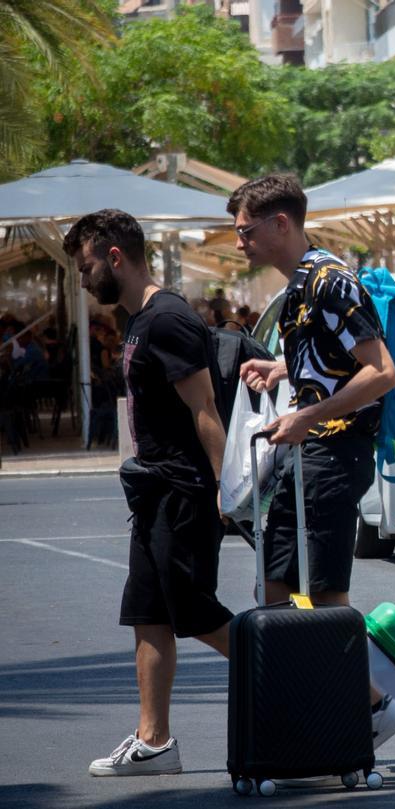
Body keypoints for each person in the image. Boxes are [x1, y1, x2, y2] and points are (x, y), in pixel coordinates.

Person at [228, 174, 395, 747]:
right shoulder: (301, 284)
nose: (240, 243)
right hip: (308, 453)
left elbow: (382, 373)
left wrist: (308, 415)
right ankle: (317, 705)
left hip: (334, 452)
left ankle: (369, 709)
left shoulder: (331, 281)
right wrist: (283, 372)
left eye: (247, 231)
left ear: (281, 223)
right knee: (274, 585)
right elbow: (331, 359)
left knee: (327, 594)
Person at [66, 210, 233, 776]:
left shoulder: (167, 320)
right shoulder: (140, 321)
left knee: (195, 612)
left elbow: (205, 409)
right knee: (148, 614)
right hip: (153, 491)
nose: (83, 279)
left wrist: (223, 489)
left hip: (184, 491)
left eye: (86, 266)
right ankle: (154, 741)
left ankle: (301, 676)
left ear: (116, 256)